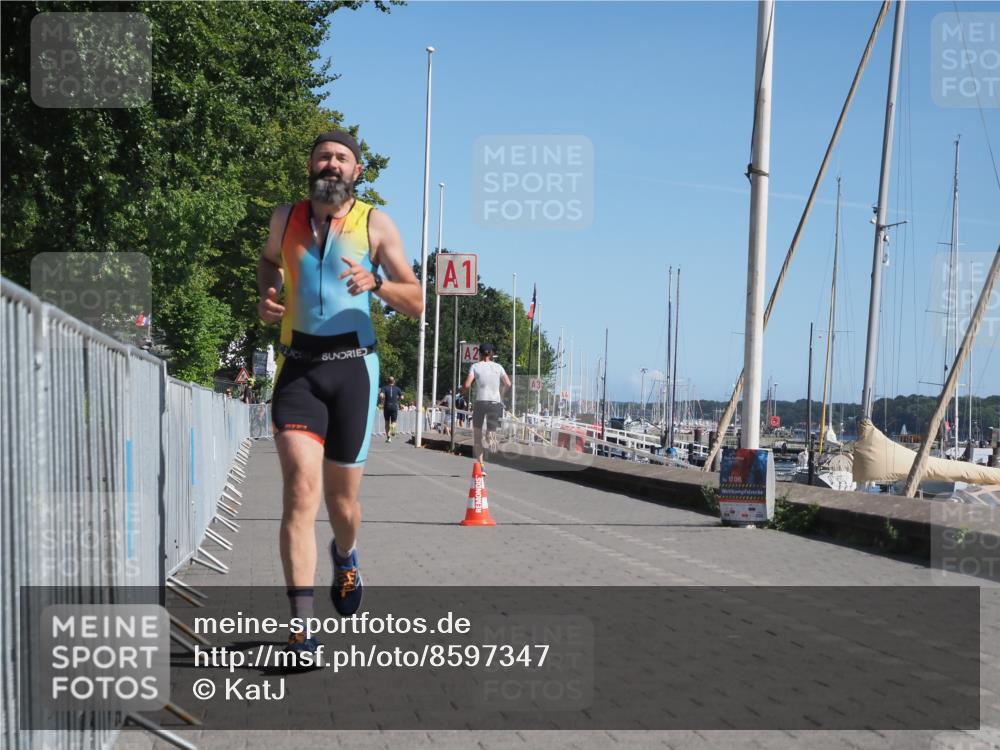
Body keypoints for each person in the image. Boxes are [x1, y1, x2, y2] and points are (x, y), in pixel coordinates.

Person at [257, 130, 422, 658]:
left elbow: (416, 299)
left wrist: (377, 285)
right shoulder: (284, 218)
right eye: (323, 157)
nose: (332, 164)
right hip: (299, 369)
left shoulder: (375, 223)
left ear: (357, 171)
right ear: (310, 166)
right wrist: (268, 293)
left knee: (343, 503)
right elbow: (267, 262)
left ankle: (346, 556)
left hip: (354, 370)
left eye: (342, 158)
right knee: (301, 489)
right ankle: (302, 629)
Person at [462, 344, 511, 468]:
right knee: (491, 431)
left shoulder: (475, 366)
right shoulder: (498, 367)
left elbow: (467, 385)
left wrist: (462, 392)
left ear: (479, 354)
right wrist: (501, 393)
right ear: (491, 353)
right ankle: (491, 438)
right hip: (495, 402)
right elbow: (508, 383)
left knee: (477, 436)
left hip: (481, 402)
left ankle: (481, 464)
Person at [380, 376, 402, 442]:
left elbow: (381, 395)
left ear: (388, 381)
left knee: (387, 422)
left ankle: (388, 438)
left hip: (387, 406)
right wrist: (398, 400)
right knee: (394, 421)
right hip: (394, 406)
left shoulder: (384, 388)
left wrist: (382, 400)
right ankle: (393, 426)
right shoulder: (397, 388)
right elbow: (402, 397)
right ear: (394, 381)